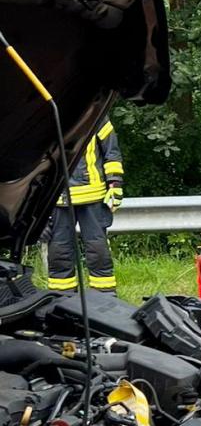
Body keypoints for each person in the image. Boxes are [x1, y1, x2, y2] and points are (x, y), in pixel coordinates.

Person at [47, 116, 123, 293]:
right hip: (58, 198)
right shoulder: (47, 116)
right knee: (59, 252)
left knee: (97, 249)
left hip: (93, 196)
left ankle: (104, 295)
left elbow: (111, 152)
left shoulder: (96, 114)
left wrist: (115, 183)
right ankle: (62, 297)